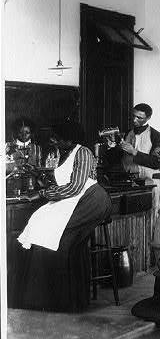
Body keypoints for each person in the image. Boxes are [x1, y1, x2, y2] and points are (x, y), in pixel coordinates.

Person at [16, 120, 112, 312]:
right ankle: (46, 298)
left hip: (92, 201)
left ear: (69, 140)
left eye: (57, 138)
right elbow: (61, 182)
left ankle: (67, 302)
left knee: (62, 239)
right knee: (41, 226)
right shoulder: (63, 153)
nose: (53, 140)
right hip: (76, 200)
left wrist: (42, 194)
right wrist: (37, 174)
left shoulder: (83, 152)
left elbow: (75, 187)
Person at [120, 103, 160, 226]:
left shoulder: (157, 136)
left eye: (139, 118)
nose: (134, 120)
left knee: (151, 217)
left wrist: (134, 152)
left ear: (148, 118)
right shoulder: (128, 133)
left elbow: (156, 162)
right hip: (131, 182)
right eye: (133, 116)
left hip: (150, 181)